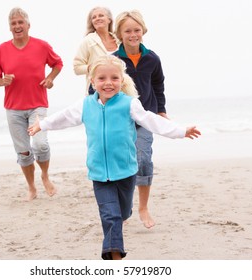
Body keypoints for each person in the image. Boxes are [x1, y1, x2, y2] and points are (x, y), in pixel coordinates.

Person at [27, 55, 201, 260]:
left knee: (123, 212)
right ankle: (114, 256)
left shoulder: (129, 104)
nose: (108, 83)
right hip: (99, 173)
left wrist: (180, 131)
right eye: (102, 78)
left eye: (114, 78)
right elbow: (63, 117)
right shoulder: (85, 105)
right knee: (110, 215)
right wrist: (42, 124)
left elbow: (151, 120)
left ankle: (124, 217)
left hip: (126, 171)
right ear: (92, 82)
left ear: (121, 80)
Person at [0, 7, 63, 201]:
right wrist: (1, 81)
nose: (17, 26)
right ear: (10, 28)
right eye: (13, 23)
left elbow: (58, 63)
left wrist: (50, 78)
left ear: (28, 25)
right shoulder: (2, 49)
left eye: (21, 22)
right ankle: (31, 187)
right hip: (13, 109)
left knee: (40, 145)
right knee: (23, 151)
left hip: (37, 104)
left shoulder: (41, 45)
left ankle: (45, 175)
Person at [113, 10, 168, 228]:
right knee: (123, 162)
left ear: (143, 31)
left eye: (137, 30)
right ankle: (123, 207)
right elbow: (95, 88)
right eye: (128, 30)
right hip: (120, 119)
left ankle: (143, 207)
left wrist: (161, 111)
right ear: (120, 33)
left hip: (145, 117)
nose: (133, 34)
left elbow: (158, 86)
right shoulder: (113, 60)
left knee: (143, 159)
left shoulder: (152, 58)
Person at [73, 6, 119, 95]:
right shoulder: (88, 41)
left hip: (120, 90)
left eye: (101, 15)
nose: (97, 19)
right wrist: (92, 67)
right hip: (96, 91)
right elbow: (76, 68)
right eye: (94, 17)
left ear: (109, 19)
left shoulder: (119, 40)